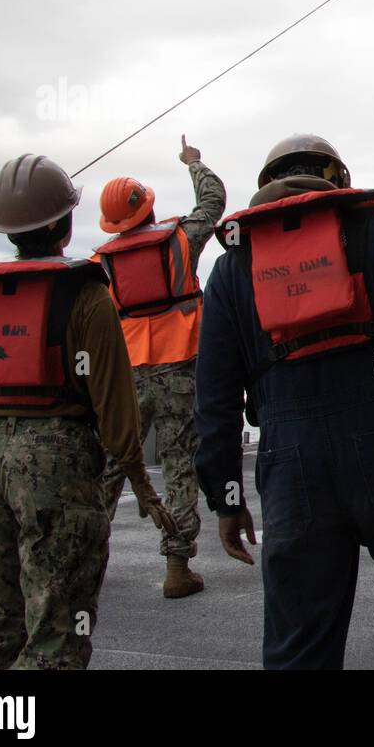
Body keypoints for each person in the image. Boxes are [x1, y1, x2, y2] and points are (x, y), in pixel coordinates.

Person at [194, 134, 374, 669]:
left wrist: (226, 495)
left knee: (300, 640)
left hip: (290, 460)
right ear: (338, 178)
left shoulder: (231, 269)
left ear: (265, 188)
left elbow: (214, 398)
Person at [0, 153, 177, 669]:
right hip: (55, 463)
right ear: (65, 225)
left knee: (3, 611)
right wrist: (139, 479)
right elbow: (115, 406)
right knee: (57, 627)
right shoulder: (86, 294)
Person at [94, 135, 225, 598]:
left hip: (127, 375)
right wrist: (194, 162)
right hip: (181, 368)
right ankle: (176, 567)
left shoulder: (100, 264)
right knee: (178, 465)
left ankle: (84, 561)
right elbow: (214, 200)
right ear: (149, 207)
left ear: (112, 222)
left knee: (109, 466)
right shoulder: (180, 241)